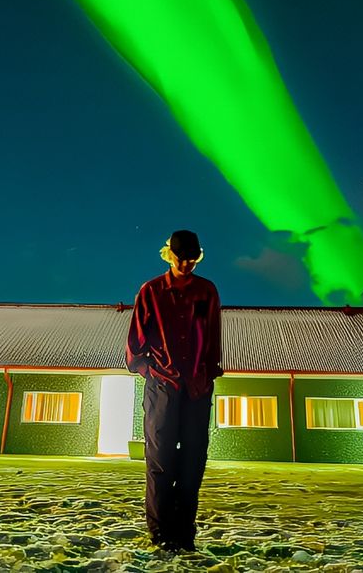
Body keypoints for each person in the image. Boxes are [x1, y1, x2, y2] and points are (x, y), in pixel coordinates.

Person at [125, 229, 222, 552]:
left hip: (196, 388)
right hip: (162, 387)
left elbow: (213, 338)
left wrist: (207, 374)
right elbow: (135, 347)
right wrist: (150, 372)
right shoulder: (151, 291)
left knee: (193, 462)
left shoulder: (207, 292)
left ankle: (184, 534)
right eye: (181, 258)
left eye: (192, 258)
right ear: (170, 255)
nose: (187, 264)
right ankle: (160, 534)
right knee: (161, 460)